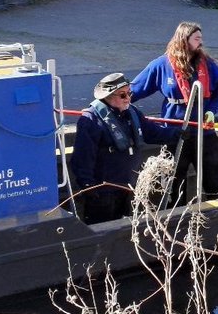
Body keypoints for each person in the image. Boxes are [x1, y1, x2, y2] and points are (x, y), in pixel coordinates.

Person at [130, 21, 218, 203]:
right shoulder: (161, 65)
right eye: (196, 38)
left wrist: (212, 111)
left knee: (213, 174)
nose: (201, 42)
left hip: (203, 131)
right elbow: (135, 90)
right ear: (184, 39)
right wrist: (113, 101)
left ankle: (217, 207)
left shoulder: (208, 65)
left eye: (201, 38)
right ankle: (175, 212)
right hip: (174, 131)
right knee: (174, 177)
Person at [69, 73, 179, 224]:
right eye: (122, 95)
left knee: (128, 230)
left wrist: (181, 133)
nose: (128, 98)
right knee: (103, 231)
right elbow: (82, 158)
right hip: (103, 192)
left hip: (130, 187)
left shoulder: (132, 112)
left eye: (129, 93)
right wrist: (88, 187)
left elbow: (153, 133)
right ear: (107, 96)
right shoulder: (90, 120)